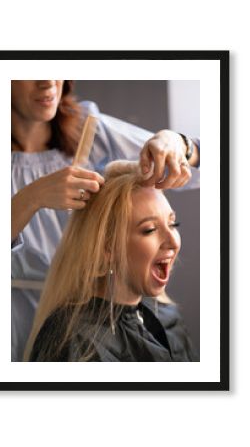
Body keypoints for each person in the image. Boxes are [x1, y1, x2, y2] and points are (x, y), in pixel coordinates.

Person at [12, 80, 200, 361]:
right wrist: (30, 199)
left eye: (173, 224)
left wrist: (178, 144)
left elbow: (206, 161)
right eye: (149, 228)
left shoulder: (91, 129)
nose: (48, 81)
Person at [24, 160, 197, 362]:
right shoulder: (75, 341)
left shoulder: (169, 318)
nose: (172, 241)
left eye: (172, 223)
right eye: (150, 229)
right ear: (107, 249)